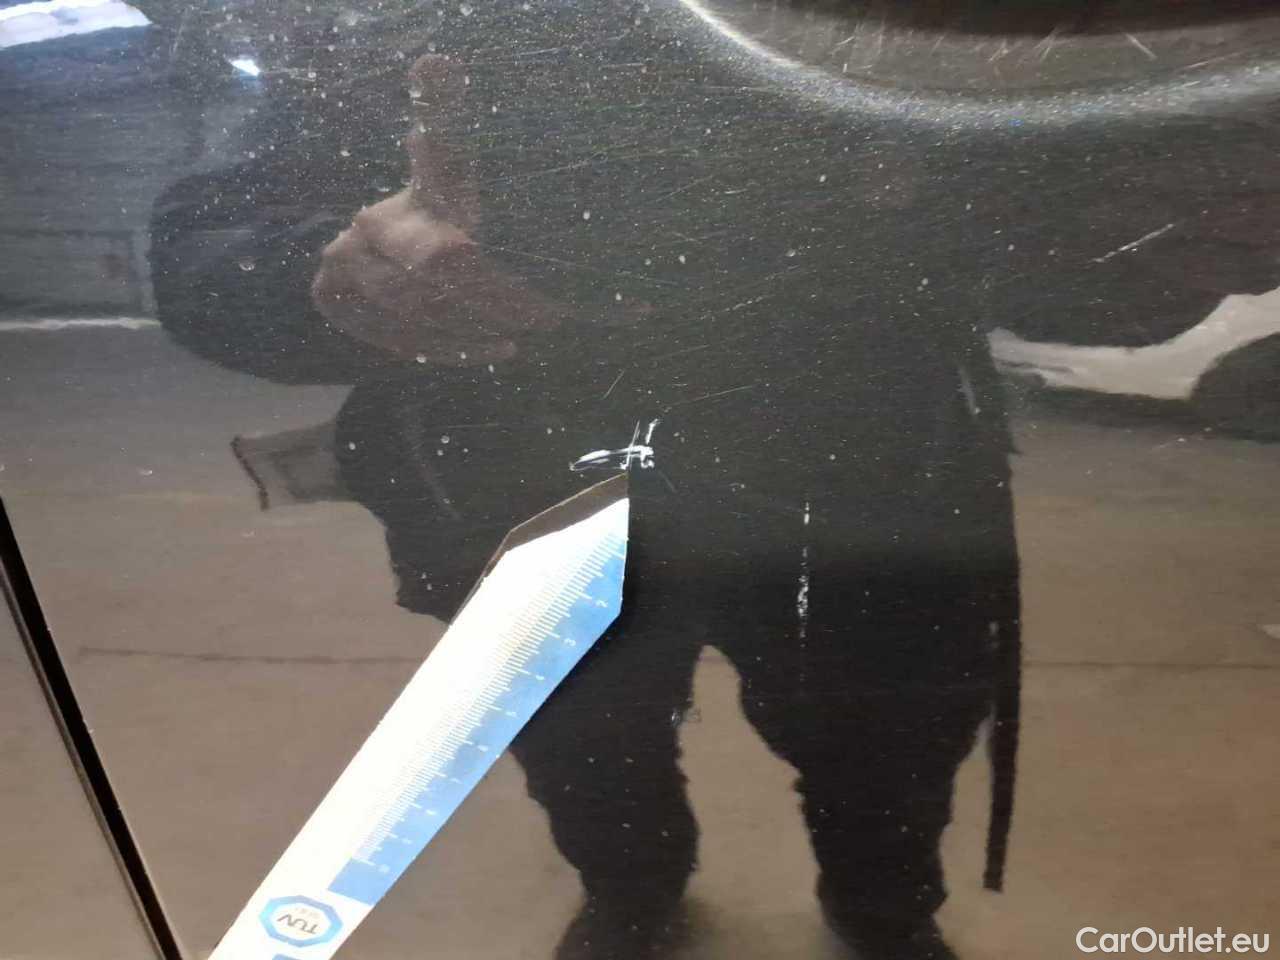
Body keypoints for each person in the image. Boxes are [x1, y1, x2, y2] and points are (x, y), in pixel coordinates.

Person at [150, 3, 1023, 957]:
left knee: (888, 739)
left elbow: (1075, 249)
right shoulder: (423, 28)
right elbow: (209, 249)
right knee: (583, 739)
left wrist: (1039, 196)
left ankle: (883, 907)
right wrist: (340, 270)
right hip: (522, 480)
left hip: (858, 469)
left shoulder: (884, 25)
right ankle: (635, 892)